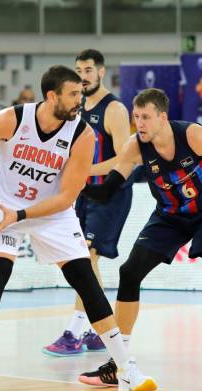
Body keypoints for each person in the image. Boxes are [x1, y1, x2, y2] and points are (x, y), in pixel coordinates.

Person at [0, 65, 157, 391]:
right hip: (2, 204)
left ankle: (127, 370)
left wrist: (16, 215)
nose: (81, 99)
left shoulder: (82, 134)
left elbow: (67, 196)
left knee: (87, 283)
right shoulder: (14, 119)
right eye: (74, 94)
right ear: (52, 96)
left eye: (82, 93)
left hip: (51, 213)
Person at [77, 88, 202, 391]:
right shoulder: (135, 147)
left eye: (145, 117)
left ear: (162, 117)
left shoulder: (194, 136)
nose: (139, 123)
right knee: (129, 273)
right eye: (136, 117)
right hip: (170, 216)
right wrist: (74, 185)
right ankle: (118, 363)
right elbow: (107, 191)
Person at [44, 49, 132, 356]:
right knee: (84, 258)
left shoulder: (115, 109)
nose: (83, 75)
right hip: (81, 192)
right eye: (79, 69)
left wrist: (85, 171)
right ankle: (98, 328)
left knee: (86, 256)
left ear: (101, 72)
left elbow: (125, 157)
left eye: (89, 70)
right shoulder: (75, 106)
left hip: (109, 192)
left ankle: (76, 330)